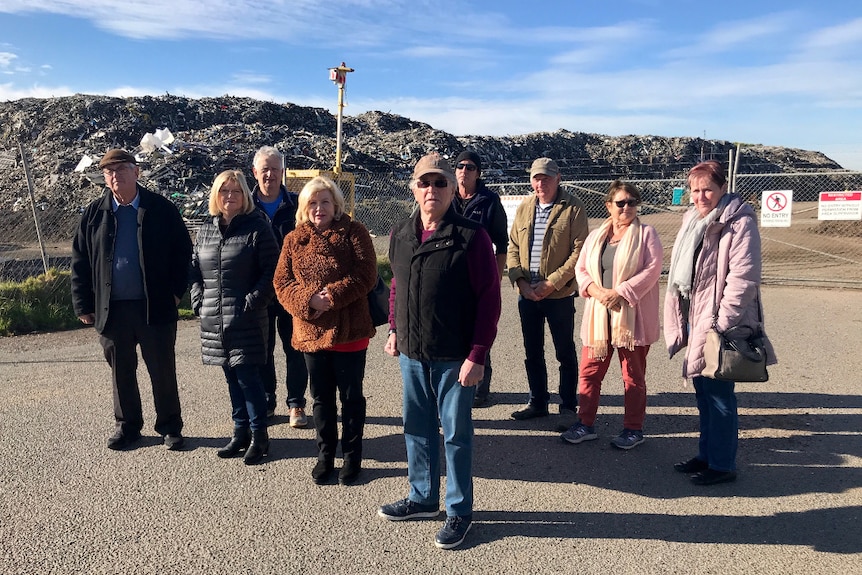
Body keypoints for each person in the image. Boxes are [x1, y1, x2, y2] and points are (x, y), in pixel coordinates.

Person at [377, 153, 501, 550]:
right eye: (424, 183)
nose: (432, 190)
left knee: (456, 435)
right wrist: (394, 328)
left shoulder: (471, 237)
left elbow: (489, 299)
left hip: (454, 357)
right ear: (413, 188)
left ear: (452, 189)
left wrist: (478, 353)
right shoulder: (400, 233)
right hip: (413, 353)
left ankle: (459, 511)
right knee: (417, 428)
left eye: (440, 183)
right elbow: (397, 285)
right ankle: (422, 498)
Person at [664, 160, 777, 485]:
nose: (701, 196)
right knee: (703, 390)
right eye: (695, 190)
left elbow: (743, 279)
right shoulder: (693, 220)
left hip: (718, 322)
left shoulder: (738, 223)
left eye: (708, 190)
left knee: (719, 392)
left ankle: (722, 464)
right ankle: (707, 454)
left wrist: (719, 324)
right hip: (695, 315)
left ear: (722, 188)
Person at [71, 149, 191, 451]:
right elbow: (80, 261)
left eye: (122, 169)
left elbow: (182, 254)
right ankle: (127, 426)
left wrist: (177, 292)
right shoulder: (94, 214)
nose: (116, 176)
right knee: (120, 371)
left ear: (136, 172)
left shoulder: (161, 209)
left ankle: (170, 426)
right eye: (109, 171)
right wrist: (83, 304)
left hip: (155, 306)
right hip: (112, 310)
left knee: (162, 369)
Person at [273, 176, 377, 485]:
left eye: (325, 202)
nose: (319, 208)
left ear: (336, 205)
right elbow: (282, 282)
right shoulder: (293, 239)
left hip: (349, 331)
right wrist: (308, 300)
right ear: (304, 208)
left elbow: (366, 274)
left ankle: (352, 456)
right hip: (310, 331)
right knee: (320, 398)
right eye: (313, 203)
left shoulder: (354, 232)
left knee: (351, 396)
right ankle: (325, 455)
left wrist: (330, 297)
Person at [561, 181, 663, 450]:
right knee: (590, 372)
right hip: (599, 316)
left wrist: (620, 292)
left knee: (633, 376)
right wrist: (595, 290)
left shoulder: (647, 234)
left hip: (631, 320)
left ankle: (633, 429)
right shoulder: (597, 236)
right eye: (621, 202)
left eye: (632, 201)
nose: (627, 207)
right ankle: (585, 423)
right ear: (609, 206)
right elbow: (582, 268)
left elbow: (652, 271)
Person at [189, 170, 279, 465]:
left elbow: (272, 271)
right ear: (215, 195)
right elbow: (195, 271)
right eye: (224, 191)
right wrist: (199, 302)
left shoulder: (257, 228)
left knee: (248, 377)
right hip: (214, 318)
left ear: (245, 196)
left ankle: (259, 436)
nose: (230, 196)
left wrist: (253, 302)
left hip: (247, 318)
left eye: (236, 191)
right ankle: (240, 432)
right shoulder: (206, 229)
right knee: (231, 376)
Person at [506, 157, 589, 432]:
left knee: (564, 351)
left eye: (546, 178)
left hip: (559, 295)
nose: (540, 183)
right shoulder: (525, 207)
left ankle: (567, 407)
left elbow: (579, 251)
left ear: (558, 178)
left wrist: (551, 283)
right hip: (527, 294)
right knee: (533, 351)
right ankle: (538, 402)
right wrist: (520, 282)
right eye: (536, 178)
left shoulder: (572, 208)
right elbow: (514, 246)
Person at [251, 146, 310, 427]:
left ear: (283, 172)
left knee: (295, 348)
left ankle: (296, 403)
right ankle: (267, 398)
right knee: (262, 348)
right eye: (265, 169)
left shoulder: (298, 205)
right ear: (255, 173)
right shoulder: (246, 207)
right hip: (260, 290)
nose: (270, 175)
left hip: (293, 290)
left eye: (275, 169)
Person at [451, 150, 508, 408]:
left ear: (478, 173)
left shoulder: (489, 201)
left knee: (481, 329)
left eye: (470, 167)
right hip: (450, 277)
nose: (464, 170)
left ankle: (481, 388)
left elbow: (502, 244)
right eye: (460, 166)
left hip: (478, 277)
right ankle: (453, 382)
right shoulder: (446, 195)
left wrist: (494, 280)